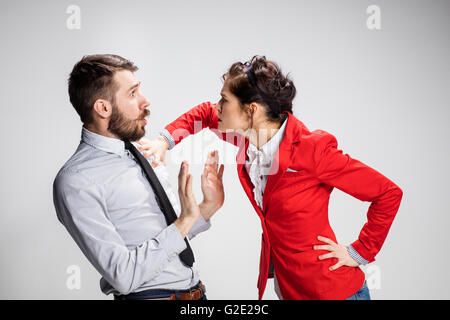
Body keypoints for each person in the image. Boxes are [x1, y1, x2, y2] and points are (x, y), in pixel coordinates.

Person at [137, 55, 403, 300]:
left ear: (251, 110)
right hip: (288, 289)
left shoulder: (312, 150)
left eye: (224, 100)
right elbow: (203, 114)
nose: (217, 106)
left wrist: (360, 252)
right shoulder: (244, 137)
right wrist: (164, 141)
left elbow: (388, 193)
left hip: (332, 291)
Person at [53, 54, 225, 300]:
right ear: (103, 108)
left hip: (197, 295)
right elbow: (123, 276)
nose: (145, 101)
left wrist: (207, 207)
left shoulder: (143, 149)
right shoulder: (75, 181)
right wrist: (184, 221)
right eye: (132, 94)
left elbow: (172, 234)